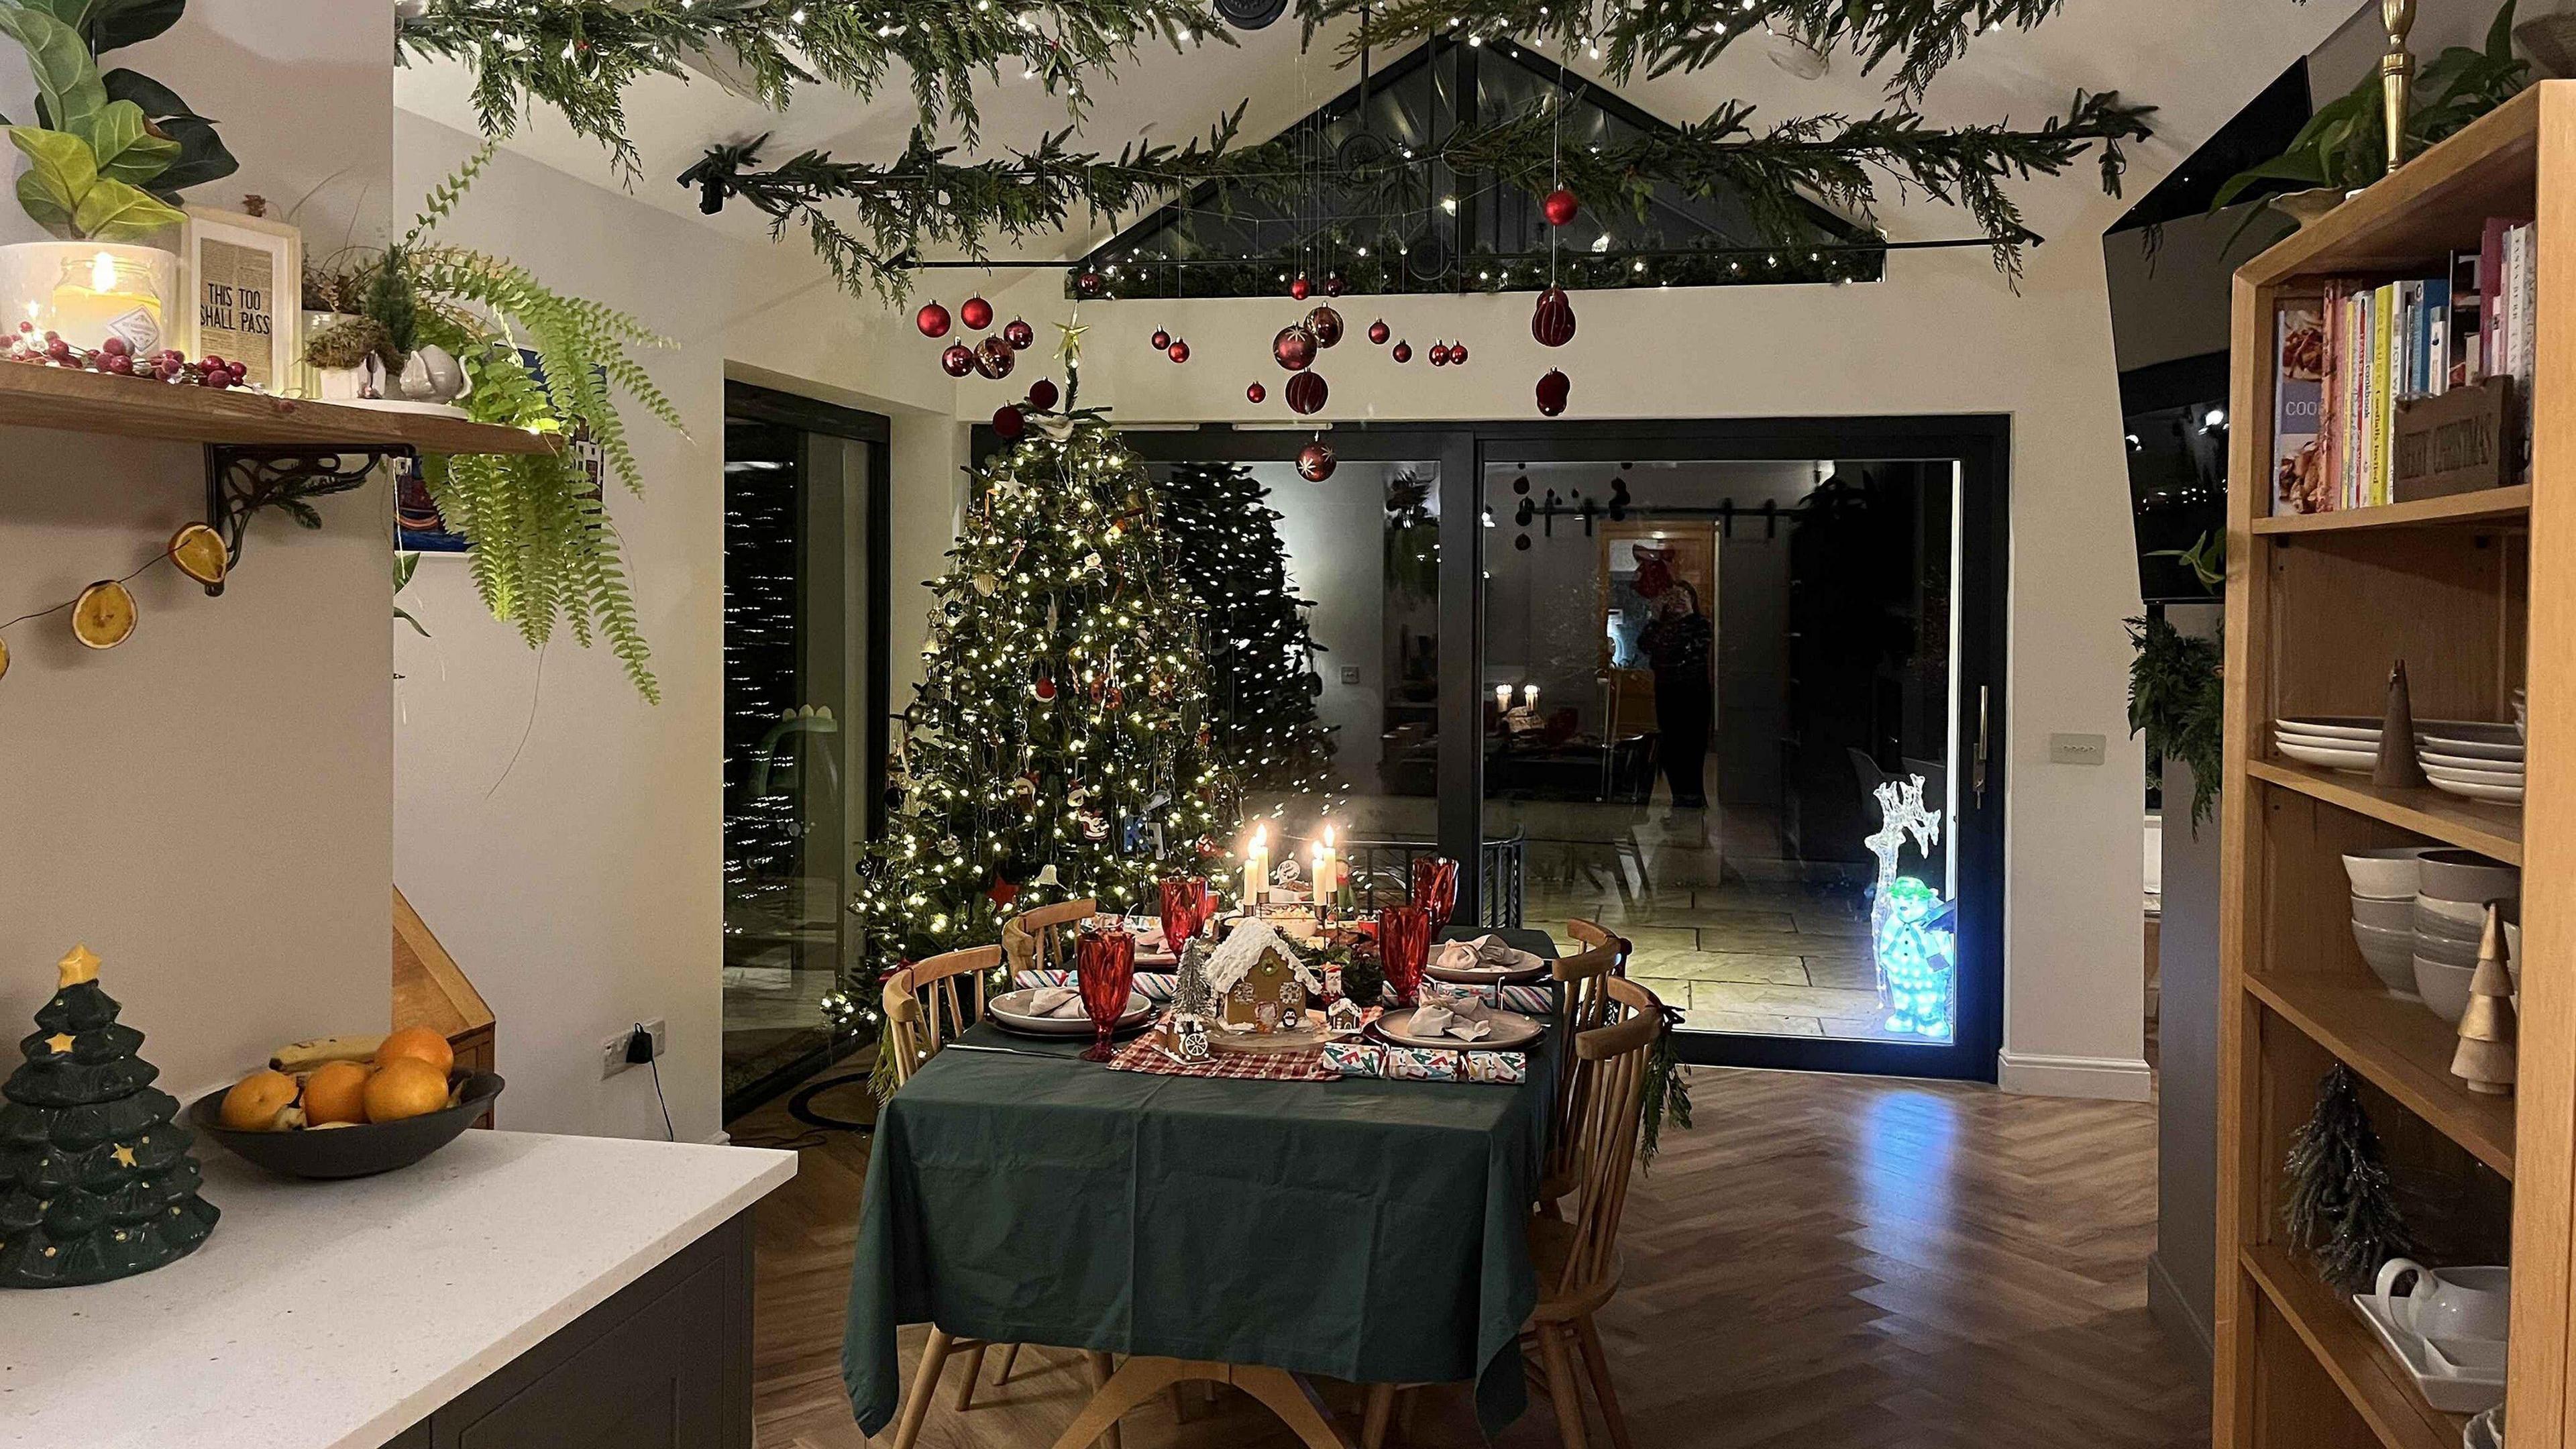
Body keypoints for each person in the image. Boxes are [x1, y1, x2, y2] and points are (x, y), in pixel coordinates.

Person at [1639, 580, 1713, 808]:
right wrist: (1657, 619)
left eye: (1685, 595)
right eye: (1674, 597)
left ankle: (1694, 798)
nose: (1679, 599)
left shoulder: (1700, 625)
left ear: (1693, 600)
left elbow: (1685, 650)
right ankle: (1679, 799)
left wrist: (1685, 618)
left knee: (1692, 748)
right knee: (1670, 749)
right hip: (1667, 693)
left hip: (1694, 694)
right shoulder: (1658, 626)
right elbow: (1645, 644)